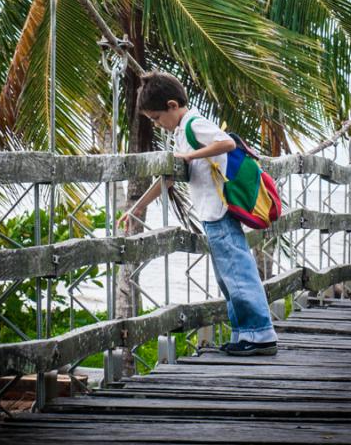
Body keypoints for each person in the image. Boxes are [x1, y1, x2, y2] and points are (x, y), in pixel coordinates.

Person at [119, 71, 278, 356]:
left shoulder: (193, 123)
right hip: (212, 215)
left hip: (220, 212)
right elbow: (167, 179)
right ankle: (245, 333)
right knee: (228, 277)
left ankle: (260, 334)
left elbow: (227, 143)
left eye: (156, 118)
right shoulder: (181, 132)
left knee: (237, 273)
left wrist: (190, 156)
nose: (157, 125)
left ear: (171, 105)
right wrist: (137, 207)